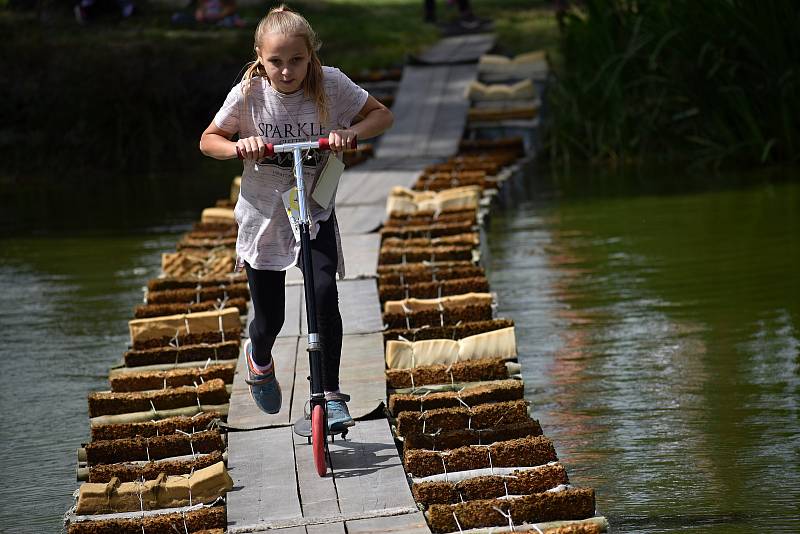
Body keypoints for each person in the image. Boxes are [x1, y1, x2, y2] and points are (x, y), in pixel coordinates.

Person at [199, 5, 393, 430]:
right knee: (272, 318)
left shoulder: (332, 85)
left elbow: (382, 115)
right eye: (276, 62)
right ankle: (260, 357)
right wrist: (239, 147)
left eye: (297, 61)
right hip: (265, 216)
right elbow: (208, 140)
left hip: (313, 212)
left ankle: (328, 393)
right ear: (260, 57)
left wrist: (351, 134)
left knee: (324, 293)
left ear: (311, 57)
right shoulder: (249, 94)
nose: (287, 72)